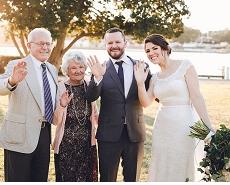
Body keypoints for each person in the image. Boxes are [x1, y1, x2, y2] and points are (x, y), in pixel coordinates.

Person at [134, 34, 212, 182]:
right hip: (162, 127)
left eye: (154, 48)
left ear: (165, 48)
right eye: (147, 51)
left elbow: (196, 97)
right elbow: (145, 102)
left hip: (185, 124)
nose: (151, 53)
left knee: (184, 161)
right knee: (163, 162)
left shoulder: (185, 66)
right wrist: (140, 82)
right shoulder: (155, 78)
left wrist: (208, 126)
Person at [0, 28, 58, 182]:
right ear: (29, 45)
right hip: (19, 137)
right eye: (41, 43)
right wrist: (12, 81)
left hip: (44, 136)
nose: (45, 48)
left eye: (48, 44)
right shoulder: (16, 65)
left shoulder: (52, 69)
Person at [86, 28, 151, 182]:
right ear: (105, 45)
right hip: (108, 134)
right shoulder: (101, 68)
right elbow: (90, 96)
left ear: (125, 43)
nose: (114, 45)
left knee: (132, 178)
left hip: (135, 133)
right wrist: (97, 78)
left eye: (117, 42)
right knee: (107, 178)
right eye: (110, 43)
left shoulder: (141, 66)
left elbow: (154, 91)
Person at [52, 50, 99, 182]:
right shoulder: (60, 88)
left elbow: (95, 115)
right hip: (66, 146)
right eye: (73, 68)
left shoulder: (89, 86)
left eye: (81, 67)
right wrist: (61, 106)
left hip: (87, 146)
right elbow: (55, 121)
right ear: (66, 70)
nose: (78, 71)